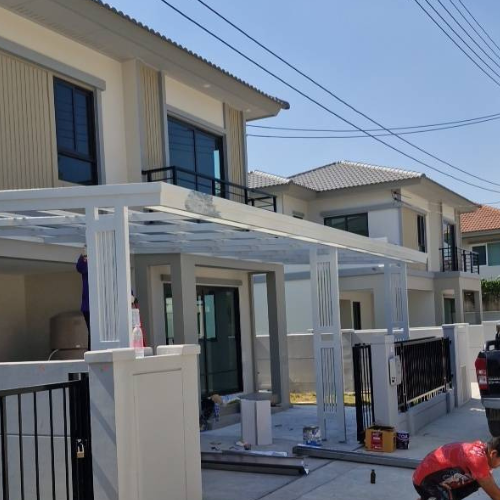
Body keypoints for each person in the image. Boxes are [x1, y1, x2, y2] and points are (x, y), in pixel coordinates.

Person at [413, 438, 500, 500]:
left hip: (439, 480)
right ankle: (431, 496)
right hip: (424, 482)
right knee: (482, 479)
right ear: (494, 453)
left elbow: (489, 483)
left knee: (479, 480)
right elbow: (495, 495)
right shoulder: (477, 459)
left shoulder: (483, 452)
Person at [76, 249, 90, 350]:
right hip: (88, 307)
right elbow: (80, 267)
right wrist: (83, 255)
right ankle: (92, 353)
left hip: (93, 306)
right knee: (92, 332)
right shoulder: (86, 267)